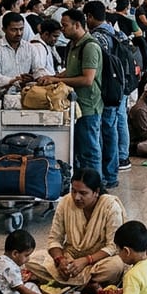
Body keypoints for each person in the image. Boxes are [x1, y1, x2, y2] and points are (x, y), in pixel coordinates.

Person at [25, 168, 127, 287]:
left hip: (97, 260)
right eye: (74, 191)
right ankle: (88, 284)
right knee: (32, 259)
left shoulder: (110, 207)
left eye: (83, 193)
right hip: (71, 257)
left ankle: (67, 283)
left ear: (96, 192)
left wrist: (86, 261)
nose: (76, 197)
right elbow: (54, 239)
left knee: (116, 266)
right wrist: (60, 260)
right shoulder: (66, 202)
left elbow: (113, 247)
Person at [38, 9, 102, 177]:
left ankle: (96, 188)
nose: (62, 29)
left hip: (88, 106)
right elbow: (71, 71)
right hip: (74, 105)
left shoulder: (89, 46)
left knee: (90, 150)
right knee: (79, 150)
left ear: (77, 25)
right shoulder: (73, 45)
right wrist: (52, 77)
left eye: (65, 25)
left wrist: (56, 81)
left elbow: (87, 79)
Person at [84, 1, 132, 186]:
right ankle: (120, 162)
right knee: (116, 124)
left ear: (89, 16)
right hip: (120, 85)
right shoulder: (116, 32)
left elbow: (96, 67)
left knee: (106, 131)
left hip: (106, 89)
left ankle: (109, 173)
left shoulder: (97, 38)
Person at [0, 229, 64, 294]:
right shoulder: (8, 266)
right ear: (15, 254)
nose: (28, 259)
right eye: (26, 255)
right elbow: (22, 290)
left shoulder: (2, 260)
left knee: (31, 285)